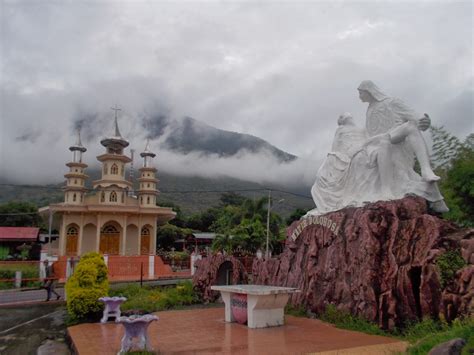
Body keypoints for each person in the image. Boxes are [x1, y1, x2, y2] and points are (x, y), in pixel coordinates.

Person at [307, 81, 448, 215]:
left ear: (369, 91)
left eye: (361, 93)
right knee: (383, 141)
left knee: (411, 127)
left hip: (395, 135)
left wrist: (425, 121)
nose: (360, 97)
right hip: (378, 141)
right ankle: (387, 190)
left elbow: (417, 118)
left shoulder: (393, 102)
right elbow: (368, 134)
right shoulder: (369, 111)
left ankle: (426, 170)